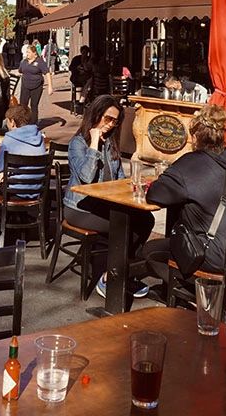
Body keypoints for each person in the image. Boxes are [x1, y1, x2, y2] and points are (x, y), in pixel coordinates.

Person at [143, 104, 226, 279]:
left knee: (150, 251)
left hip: (216, 257)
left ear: (194, 137)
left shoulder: (192, 163)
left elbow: (155, 195)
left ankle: (188, 292)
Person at [64, 94, 153, 299]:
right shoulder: (78, 143)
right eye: (107, 118)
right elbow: (86, 177)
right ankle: (110, 279)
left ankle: (123, 272)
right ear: (96, 115)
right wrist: (94, 142)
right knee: (123, 226)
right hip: (79, 208)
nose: (111, 125)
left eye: (115, 121)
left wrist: (132, 188)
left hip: (103, 206)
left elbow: (119, 179)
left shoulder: (111, 144)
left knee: (146, 220)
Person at [0, 104, 48, 192]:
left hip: (14, 188)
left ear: (12, 122)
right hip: (38, 187)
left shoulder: (8, 139)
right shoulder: (40, 137)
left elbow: (1, 167)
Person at [17, 43, 52, 125]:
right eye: (26, 52)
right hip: (25, 85)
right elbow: (20, 70)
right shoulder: (24, 61)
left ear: (34, 53)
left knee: (34, 105)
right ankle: (23, 122)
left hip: (36, 86)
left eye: (28, 52)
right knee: (23, 105)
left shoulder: (40, 62)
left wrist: (50, 86)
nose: (27, 54)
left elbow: (47, 73)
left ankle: (33, 123)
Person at [68, 46, 91, 115]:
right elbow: (70, 67)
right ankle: (85, 99)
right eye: (83, 52)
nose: (85, 54)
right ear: (81, 52)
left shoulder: (89, 59)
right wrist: (77, 68)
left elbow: (90, 69)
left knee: (89, 82)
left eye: (86, 52)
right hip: (77, 78)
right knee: (88, 83)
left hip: (86, 78)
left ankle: (85, 99)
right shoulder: (76, 59)